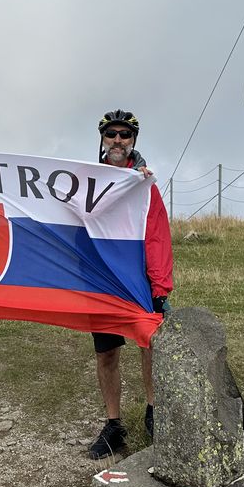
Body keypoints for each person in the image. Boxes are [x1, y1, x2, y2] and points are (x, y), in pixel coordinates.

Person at [88, 109, 174, 460]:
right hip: (102, 282)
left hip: (137, 280)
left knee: (148, 346)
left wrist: (160, 285)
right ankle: (114, 426)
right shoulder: (86, 180)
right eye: (112, 135)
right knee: (107, 353)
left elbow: (157, 233)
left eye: (125, 135)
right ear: (103, 140)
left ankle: (155, 412)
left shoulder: (143, 184)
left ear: (133, 141)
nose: (118, 141)